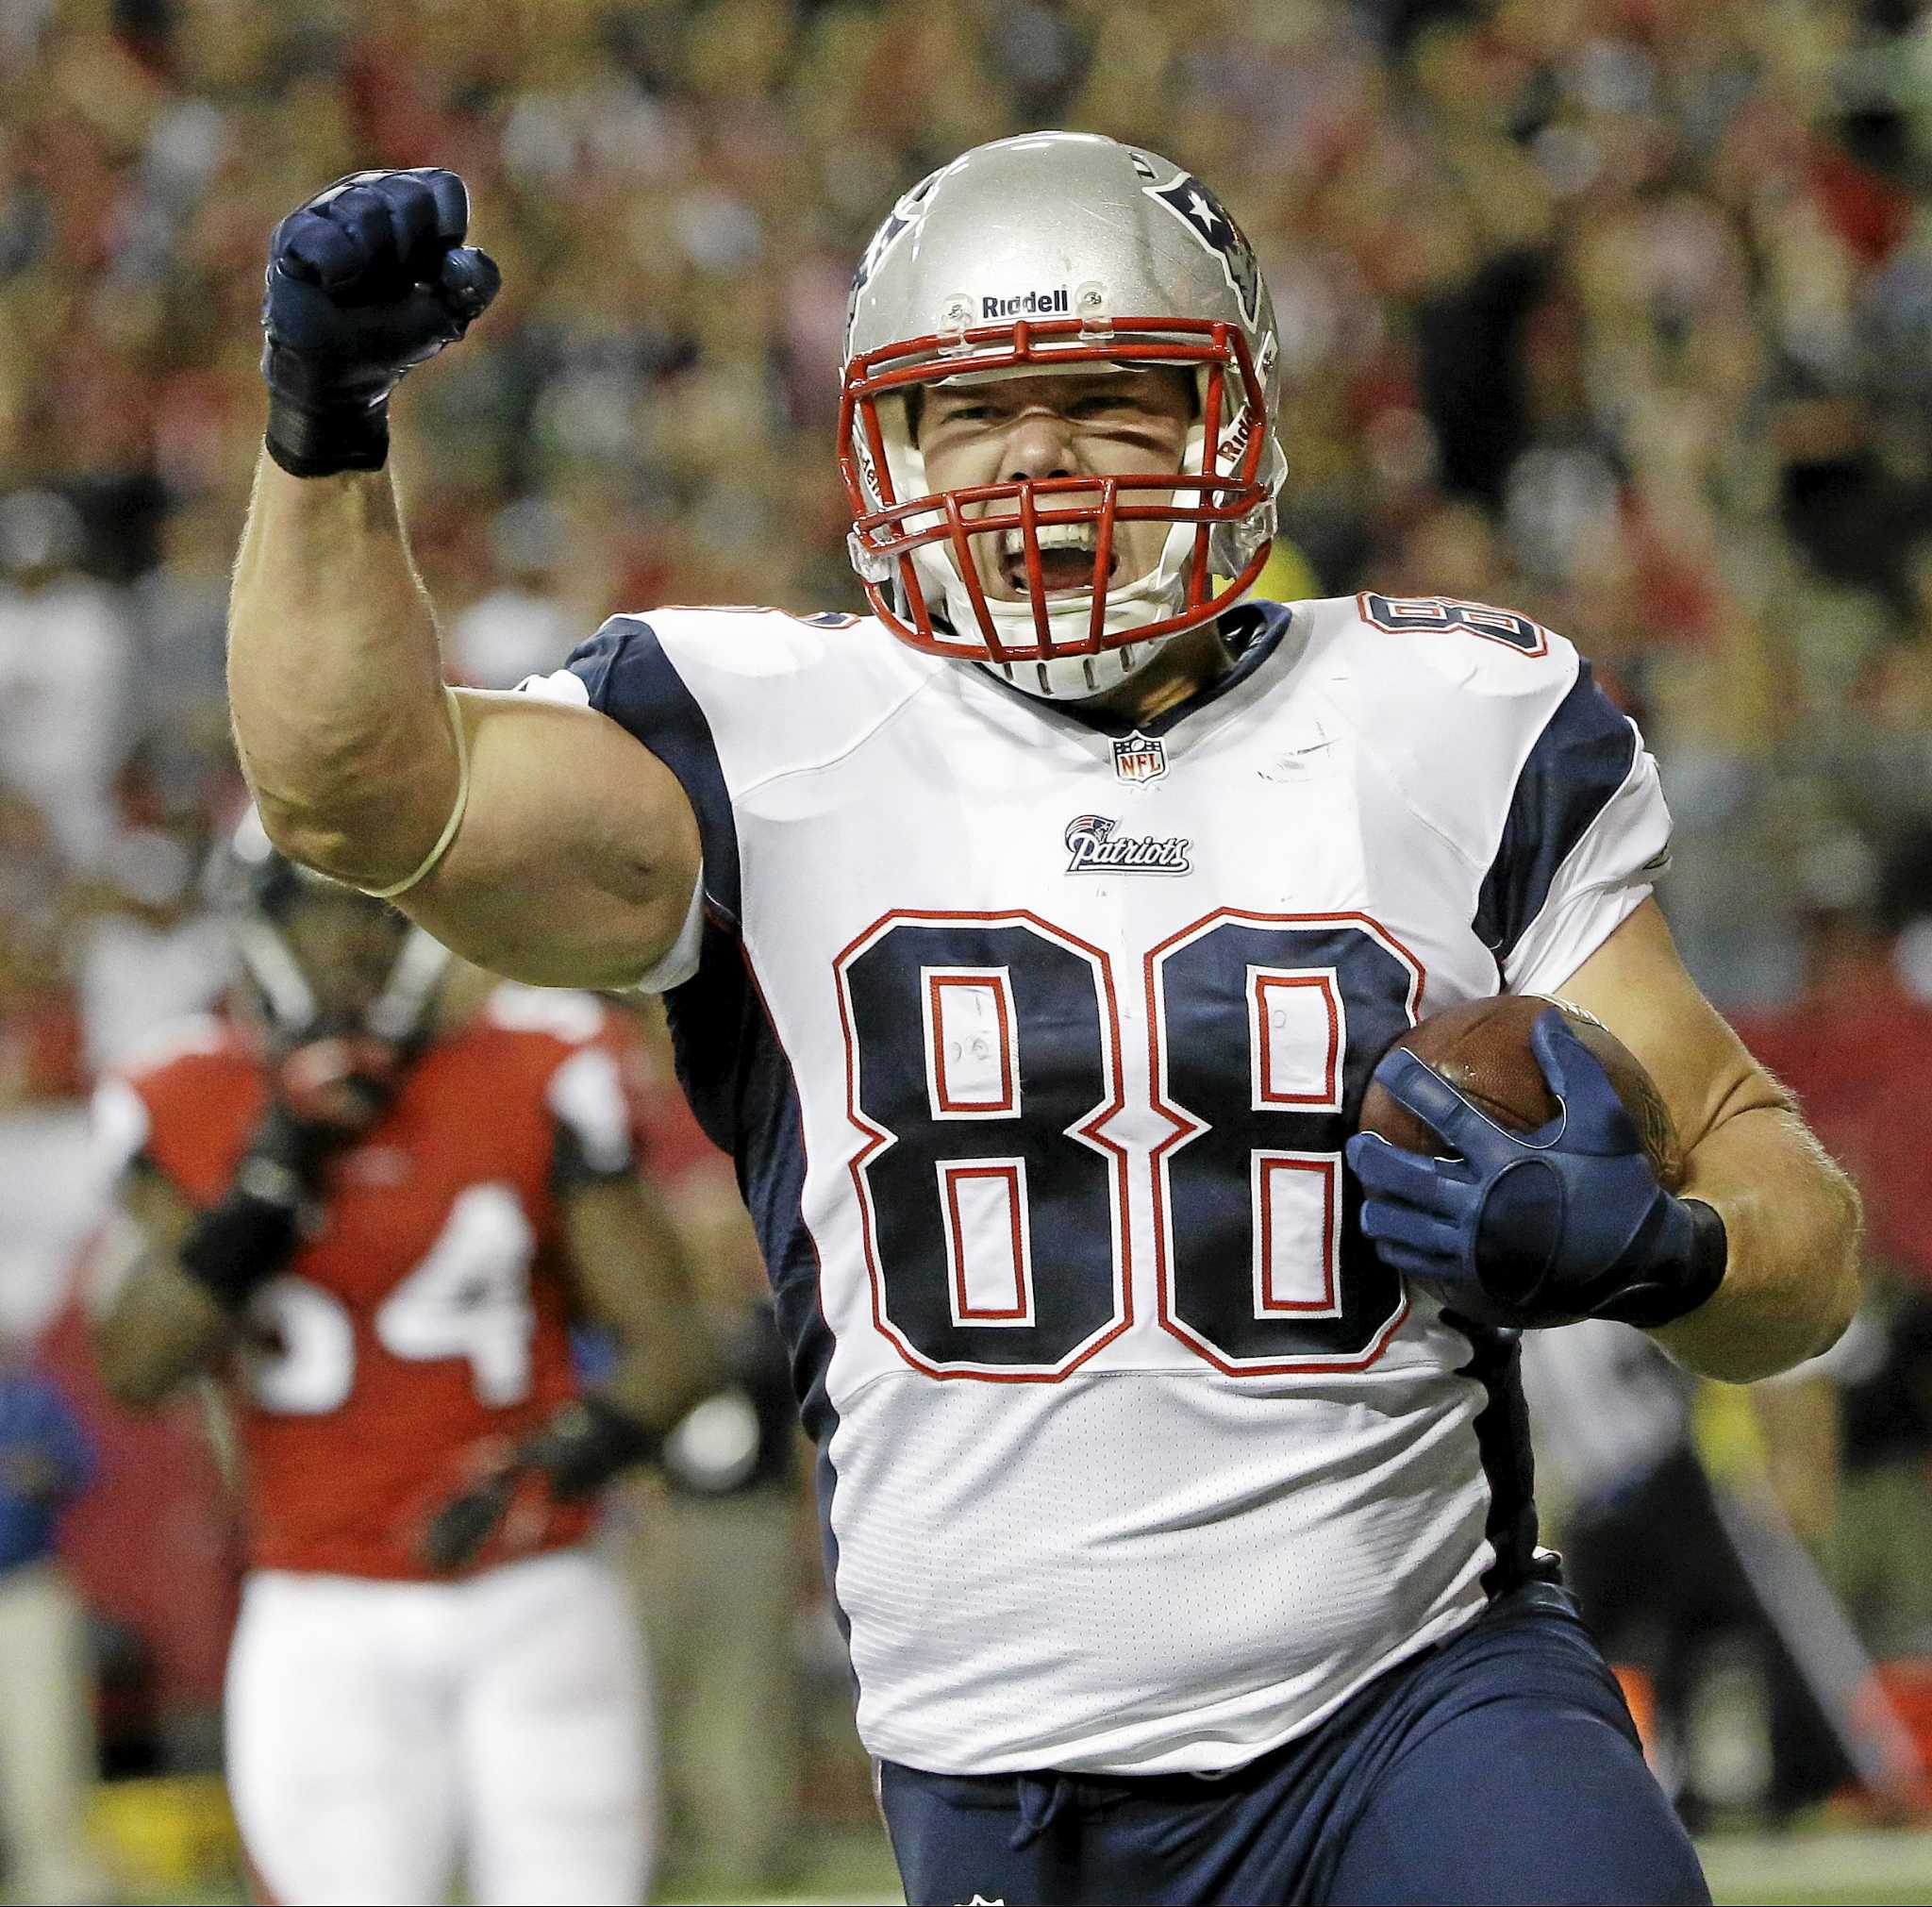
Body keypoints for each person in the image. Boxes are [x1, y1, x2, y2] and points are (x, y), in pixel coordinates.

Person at [225, 140, 1863, 1907]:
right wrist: (326, 432)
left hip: (1418, 1694)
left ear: (1229, 417)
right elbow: (358, 798)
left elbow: (1799, 1239)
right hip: (1008, 1770)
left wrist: (1666, 1255)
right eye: (979, 410)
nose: (1042, 457)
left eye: (1109, 399)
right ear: (889, 449)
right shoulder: (762, 733)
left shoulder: (1451, 715)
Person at [88, 811, 730, 1906]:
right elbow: (137, 1363)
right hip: (320, 1600)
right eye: (321, 914)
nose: (351, 947)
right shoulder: (181, 1090)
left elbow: (673, 1345)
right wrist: (264, 1183)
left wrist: (559, 1461)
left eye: (378, 913)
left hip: (533, 1585)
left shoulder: (537, 1057)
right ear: (258, 926)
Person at [0, 1346, 109, 1904]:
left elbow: (78, 1468)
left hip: (23, 1592)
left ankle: (60, 1892)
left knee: (44, 1765)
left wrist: (33, 1470)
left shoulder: (28, 1400)